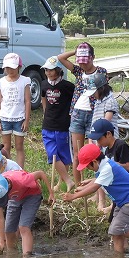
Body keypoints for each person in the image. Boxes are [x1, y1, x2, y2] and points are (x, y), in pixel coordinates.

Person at [62, 144, 129, 253]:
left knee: (116, 229)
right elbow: (98, 179)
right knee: (116, 233)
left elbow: (94, 187)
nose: (88, 168)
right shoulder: (104, 164)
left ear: (95, 161)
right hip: (122, 202)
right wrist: (84, 186)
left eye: (88, 166)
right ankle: (119, 257)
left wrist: (73, 196)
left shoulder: (107, 168)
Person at [58, 42, 109, 186]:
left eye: (86, 61)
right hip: (77, 113)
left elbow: (104, 92)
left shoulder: (101, 72)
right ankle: (78, 184)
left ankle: (96, 185)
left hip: (94, 112)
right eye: (81, 62)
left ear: (93, 57)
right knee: (77, 153)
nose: (84, 65)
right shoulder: (78, 71)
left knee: (94, 151)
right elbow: (60, 58)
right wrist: (77, 53)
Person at [0, 169, 53, 256]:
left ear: (8, 186)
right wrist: (2, 243)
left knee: (23, 227)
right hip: (15, 198)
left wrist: (51, 193)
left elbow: (40, 173)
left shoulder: (22, 180)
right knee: (8, 230)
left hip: (31, 195)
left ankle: (27, 256)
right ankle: (12, 254)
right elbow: (0, 218)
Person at [88, 119, 129, 214]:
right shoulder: (107, 150)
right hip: (119, 185)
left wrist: (109, 164)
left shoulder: (121, 145)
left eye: (99, 139)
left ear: (108, 134)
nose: (98, 142)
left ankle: (114, 205)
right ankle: (109, 203)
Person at [40, 55, 75, 192]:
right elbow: (43, 97)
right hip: (48, 124)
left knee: (63, 155)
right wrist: (45, 112)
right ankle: (68, 180)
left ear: (58, 70)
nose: (48, 72)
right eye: (46, 70)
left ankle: (62, 182)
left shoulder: (67, 86)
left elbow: (75, 101)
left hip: (63, 125)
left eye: (51, 70)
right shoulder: (44, 84)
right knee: (52, 153)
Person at [0, 53, 31, 169]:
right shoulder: (1, 82)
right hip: (5, 118)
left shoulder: (24, 81)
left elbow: (27, 101)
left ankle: (20, 171)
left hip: (19, 118)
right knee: (6, 147)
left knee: (19, 146)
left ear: (19, 67)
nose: (10, 70)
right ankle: (9, 169)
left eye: (13, 67)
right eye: (7, 67)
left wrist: (26, 120)